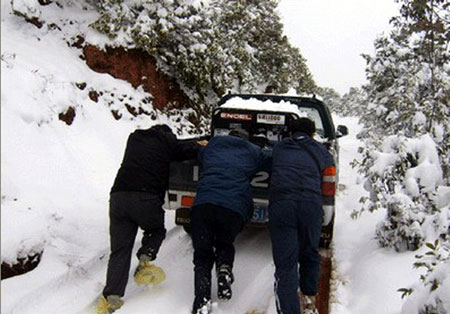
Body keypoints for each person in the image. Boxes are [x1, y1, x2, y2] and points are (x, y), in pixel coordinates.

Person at [96, 124, 205, 314]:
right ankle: (145, 260)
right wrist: (202, 145)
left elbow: (173, 146)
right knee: (156, 230)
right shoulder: (167, 141)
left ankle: (112, 298)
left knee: (120, 250)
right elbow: (185, 149)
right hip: (146, 197)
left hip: (118, 197)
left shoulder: (134, 139)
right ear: (168, 134)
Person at [190, 128, 271, 314]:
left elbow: (198, 154)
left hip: (204, 205)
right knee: (224, 243)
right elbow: (272, 160)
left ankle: (201, 302)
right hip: (232, 208)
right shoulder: (253, 151)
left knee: (202, 255)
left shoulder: (212, 146)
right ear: (245, 139)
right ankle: (224, 268)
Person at [268, 118, 334, 314]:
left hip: (282, 207)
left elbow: (265, 160)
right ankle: (309, 298)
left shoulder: (280, 148)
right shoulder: (323, 151)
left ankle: (289, 310)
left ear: (290, 133)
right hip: (311, 206)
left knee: (286, 264)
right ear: (313, 134)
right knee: (309, 252)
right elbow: (329, 181)